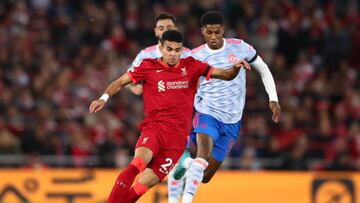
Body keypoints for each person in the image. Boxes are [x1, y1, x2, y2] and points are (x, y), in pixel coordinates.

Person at [89, 30, 250, 203]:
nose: (173, 54)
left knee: (145, 184)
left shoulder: (192, 66)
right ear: (161, 48)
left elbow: (225, 75)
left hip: (177, 141)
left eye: (177, 50)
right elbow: (120, 82)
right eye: (169, 49)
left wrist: (235, 68)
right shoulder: (147, 66)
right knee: (138, 164)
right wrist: (103, 98)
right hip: (155, 130)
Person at [167, 11, 281, 203]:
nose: (213, 37)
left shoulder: (240, 47)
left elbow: (263, 69)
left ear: (223, 30)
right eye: (209, 32)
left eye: (217, 32)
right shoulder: (195, 56)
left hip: (232, 122)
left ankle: (185, 162)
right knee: (203, 155)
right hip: (207, 113)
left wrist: (273, 98)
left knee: (205, 176)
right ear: (202, 31)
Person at [127, 12, 190, 95]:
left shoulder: (188, 55)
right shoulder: (145, 55)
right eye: (161, 28)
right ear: (156, 31)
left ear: (176, 29)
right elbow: (127, 80)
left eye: (169, 27)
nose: (165, 31)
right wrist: (133, 87)